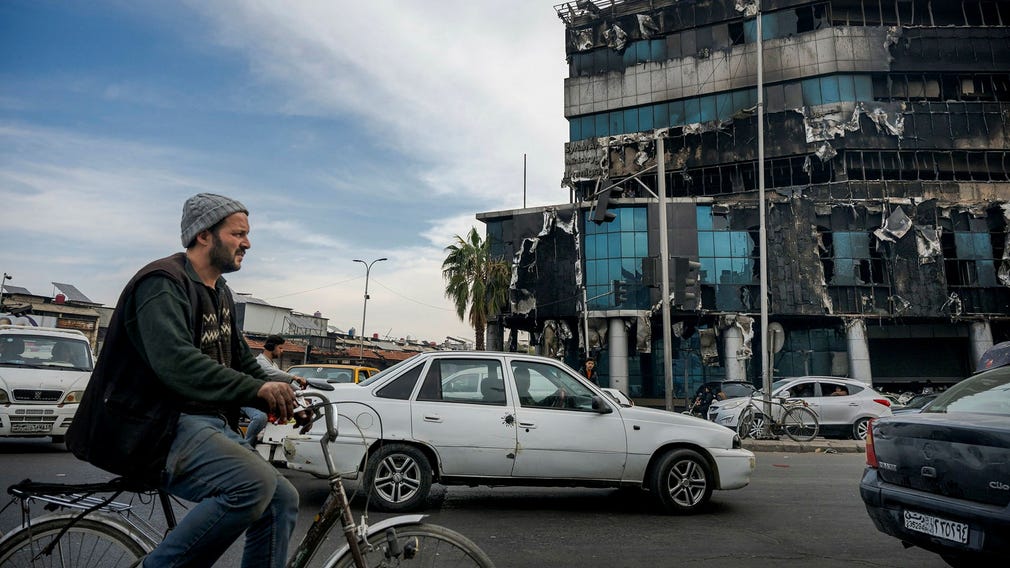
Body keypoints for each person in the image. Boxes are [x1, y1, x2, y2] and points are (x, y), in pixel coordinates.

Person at [66, 193, 301, 568]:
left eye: (247, 234)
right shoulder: (162, 283)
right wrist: (257, 390)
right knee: (252, 484)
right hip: (157, 425)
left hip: (205, 422)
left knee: (283, 499)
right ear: (204, 235)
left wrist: (284, 397)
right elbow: (178, 364)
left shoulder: (220, 292)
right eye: (238, 234)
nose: (247, 243)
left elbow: (242, 361)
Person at [243, 334, 306, 446]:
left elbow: (283, 383)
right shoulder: (260, 362)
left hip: (262, 401)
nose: (282, 351)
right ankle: (246, 445)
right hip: (248, 400)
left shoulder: (273, 365)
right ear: (271, 347)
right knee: (260, 418)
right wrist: (294, 377)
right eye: (280, 348)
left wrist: (302, 392)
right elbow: (273, 374)